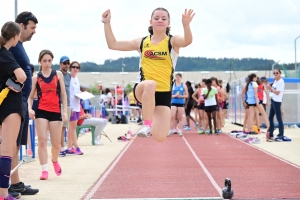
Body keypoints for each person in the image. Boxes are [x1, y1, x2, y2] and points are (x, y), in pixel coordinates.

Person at [102, 8, 195, 141]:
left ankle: (153, 122)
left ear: (169, 23)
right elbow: (113, 44)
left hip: (164, 93)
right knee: (150, 84)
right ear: (150, 21)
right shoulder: (142, 42)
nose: (160, 21)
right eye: (156, 18)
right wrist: (106, 23)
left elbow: (187, 41)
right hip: (143, 88)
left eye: (164, 18)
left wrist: (186, 25)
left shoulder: (172, 41)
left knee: (160, 137)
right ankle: (146, 124)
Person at [8, 11, 39, 197]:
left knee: (17, 145)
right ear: (21, 26)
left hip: (22, 101)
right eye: (32, 27)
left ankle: (16, 182)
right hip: (14, 101)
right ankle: (9, 184)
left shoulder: (19, 46)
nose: (34, 31)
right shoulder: (11, 47)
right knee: (10, 144)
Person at [28, 50, 68, 180]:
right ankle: (44, 170)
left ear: (52, 61)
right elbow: (30, 97)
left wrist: (65, 111)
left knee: (56, 144)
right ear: (40, 61)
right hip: (41, 111)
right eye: (44, 61)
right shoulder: (36, 77)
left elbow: (63, 94)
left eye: (49, 61)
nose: (47, 63)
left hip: (56, 111)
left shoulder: (58, 75)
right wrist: (29, 109)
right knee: (42, 141)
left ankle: (55, 161)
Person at [0, 21, 27, 200]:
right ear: (16, 36)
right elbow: (22, 76)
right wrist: (16, 84)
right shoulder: (5, 54)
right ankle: (3, 193)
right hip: (10, 105)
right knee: (7, 149)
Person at [66, 61, 84, 155]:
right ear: (70, 68)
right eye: (73, 67)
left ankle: (69, 147)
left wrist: (83, 95)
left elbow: (77, 91)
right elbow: (68, 93)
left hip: (77, 105)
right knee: (72, 127)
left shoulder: (77, 79)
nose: (75, 69)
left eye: (77, 67)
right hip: (71, 105)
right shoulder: (69, 78)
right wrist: (70, 107)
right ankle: (76, 147)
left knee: (72, 127)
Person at [266, 69, 288, 142]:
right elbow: (273, 89)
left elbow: (277, 92)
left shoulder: (281, 82)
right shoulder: (275, 81)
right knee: (270, 117)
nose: (275, 74)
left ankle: (281, 134)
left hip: (277, 101)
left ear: (280, 74)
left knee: (278, 118)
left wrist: (270, 88)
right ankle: (271, 133)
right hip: (273, 100)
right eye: (274, 73)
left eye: (277, 73)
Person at [58, 56, 71, 157]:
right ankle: (61, 147)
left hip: (68, 103)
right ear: (60, 64)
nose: (66, 65)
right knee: (61, 127)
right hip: (60, 103)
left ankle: (62, 147)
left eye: (68, 63)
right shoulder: (58, 74)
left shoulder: (69, 76)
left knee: (65, 127)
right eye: (64, 63)